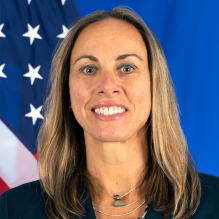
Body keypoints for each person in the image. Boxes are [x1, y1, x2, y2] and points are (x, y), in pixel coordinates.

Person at [0, 7, 219, 219]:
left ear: (155, 88)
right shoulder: (15, 210)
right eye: (89, 69)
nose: (107, 85)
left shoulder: (215, 203)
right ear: (67, 94)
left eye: (127, 68)